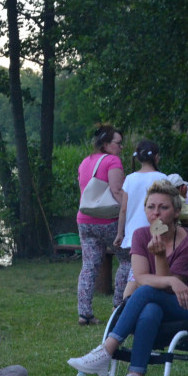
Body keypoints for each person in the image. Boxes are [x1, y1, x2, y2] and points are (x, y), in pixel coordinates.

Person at [68, 179, 188, 376]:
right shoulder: (142, 235)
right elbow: (142, 276)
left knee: (144, 294)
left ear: (176, 212)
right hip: (156, 299)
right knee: (150, 309)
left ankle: (107, 351)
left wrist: (162, 260)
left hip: (186, 304)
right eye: (151, 207)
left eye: (164, 207)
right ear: (145, 210)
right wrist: (169, 278)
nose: (157, 214)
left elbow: (168, 288)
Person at [75, 125, 126, 325]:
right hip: (108, 220)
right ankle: (118, 307)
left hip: (85, 219)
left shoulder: (86, 161)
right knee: (127, 260)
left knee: (88, 265)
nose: (121, 147)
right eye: (118, 143)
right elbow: (117, 191)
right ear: (106, 144)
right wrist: (130, 211)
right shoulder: (113, 161)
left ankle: (84, 313)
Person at [114, 140, 165, 305]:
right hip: (153, 231)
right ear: (156, 157)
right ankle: (124, 306)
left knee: (133, 271)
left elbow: (123, 208)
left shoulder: (130, 178)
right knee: (140, 273)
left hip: (132, 233)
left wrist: (120, 233)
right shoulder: (162, 178)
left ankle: (122, 304)